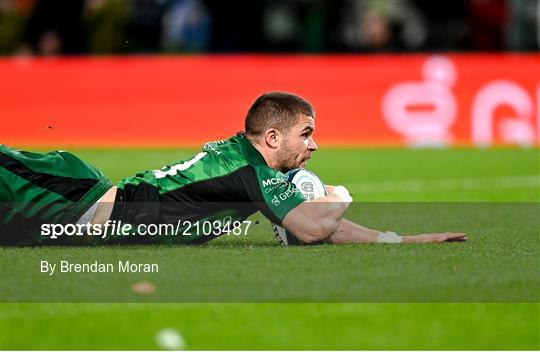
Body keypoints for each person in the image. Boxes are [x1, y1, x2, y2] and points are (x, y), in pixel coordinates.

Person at [0, 92, 467, 246]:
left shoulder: (258, 175)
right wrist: (339, 191)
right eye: (306, 134)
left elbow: (320, 223)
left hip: (73, 221)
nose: (315, 144)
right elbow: (311, 228)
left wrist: (397, 240)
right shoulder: (252, 173)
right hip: (71, 198)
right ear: (272, 139)